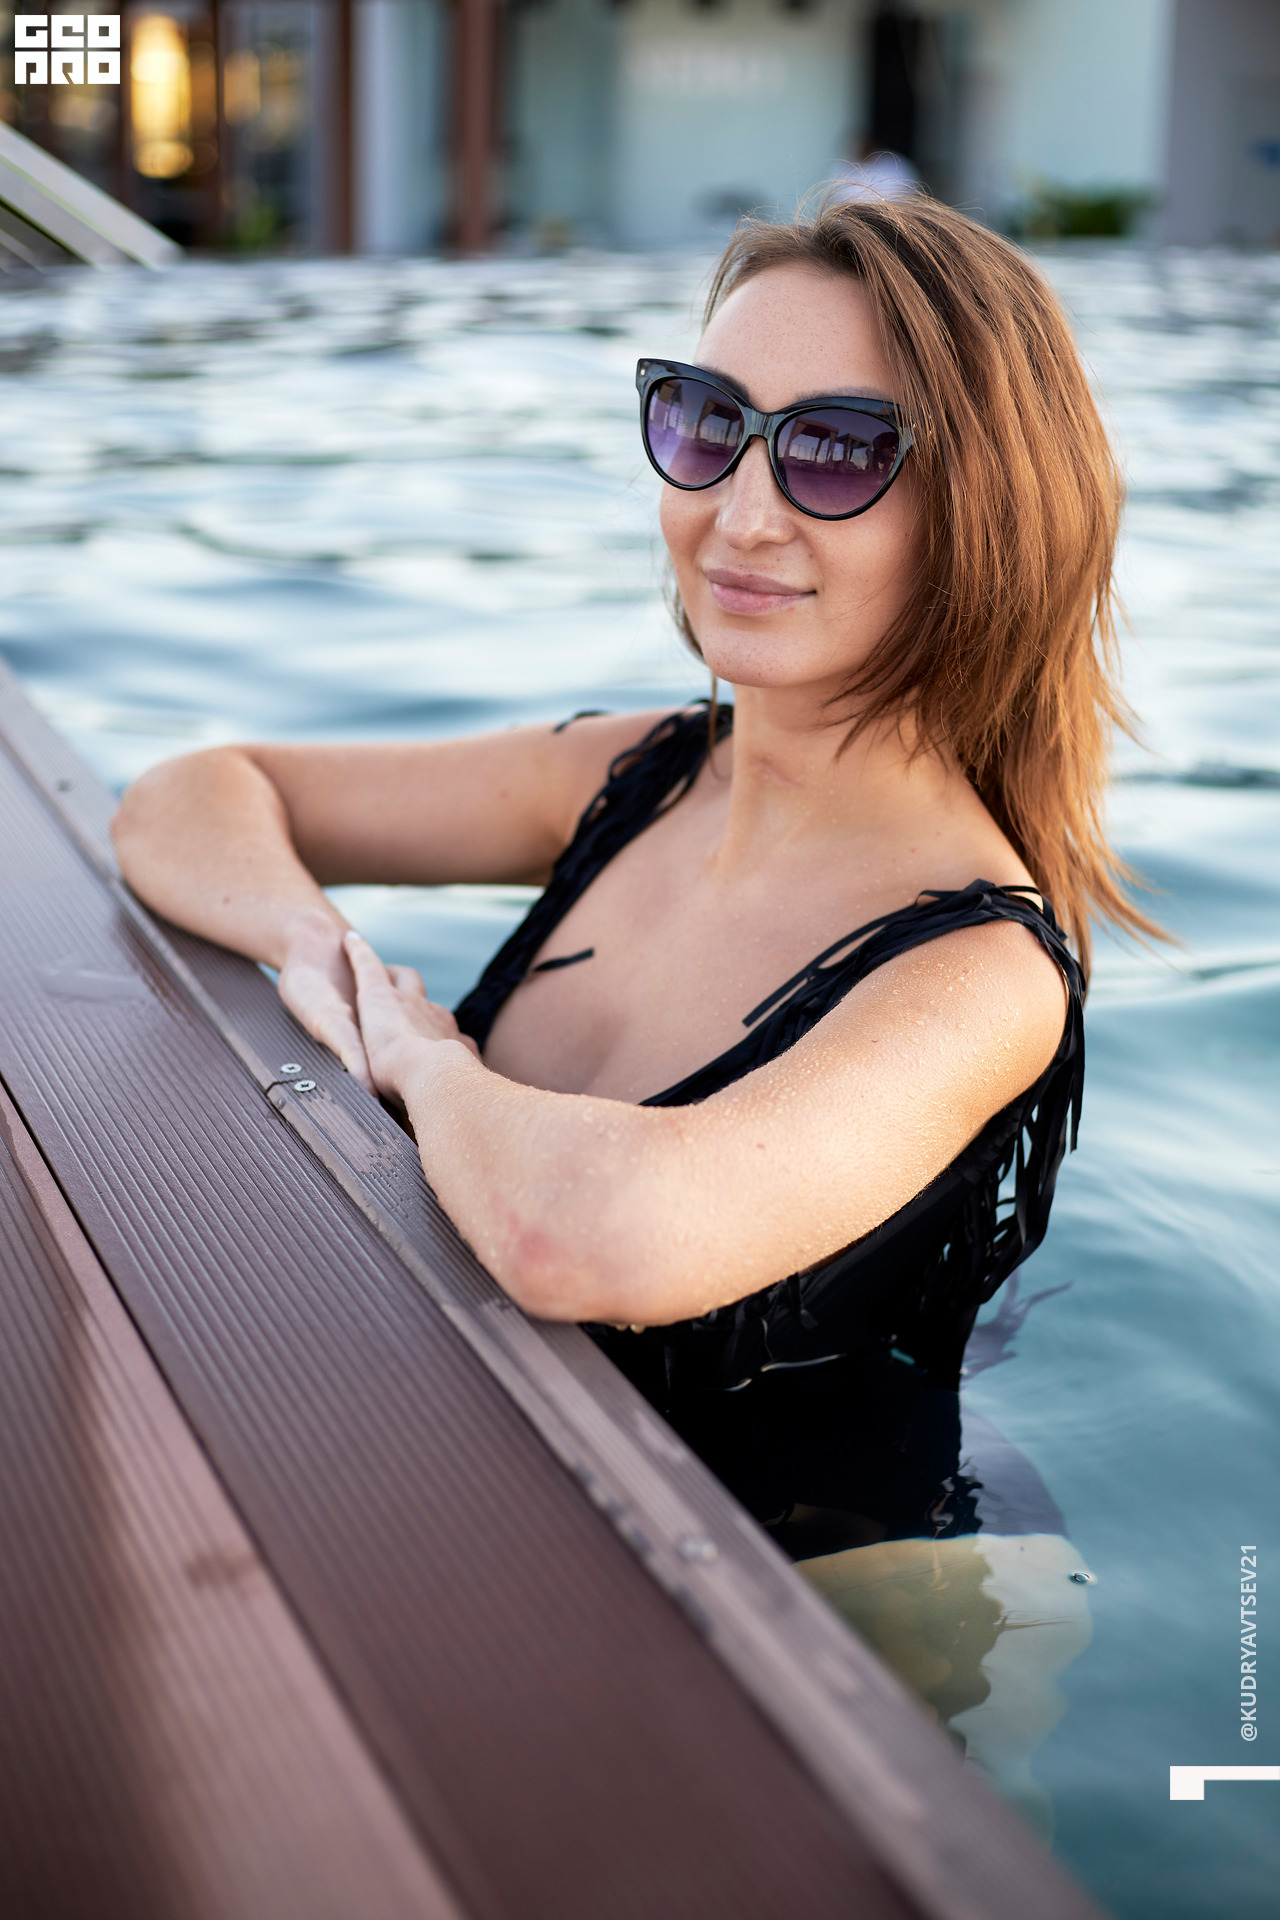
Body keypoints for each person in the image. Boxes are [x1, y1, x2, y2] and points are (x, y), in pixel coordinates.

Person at [112, 195, 1154, 1502]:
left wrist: (425, 1065)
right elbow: (190, 794)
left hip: (774, 1573)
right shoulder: (637, 776)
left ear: (988, 516)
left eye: (837, 451)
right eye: (710, 423)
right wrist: (323, 963)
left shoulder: (979, 972)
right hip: (477, 1458)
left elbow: (587, 1238)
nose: (741, 515)